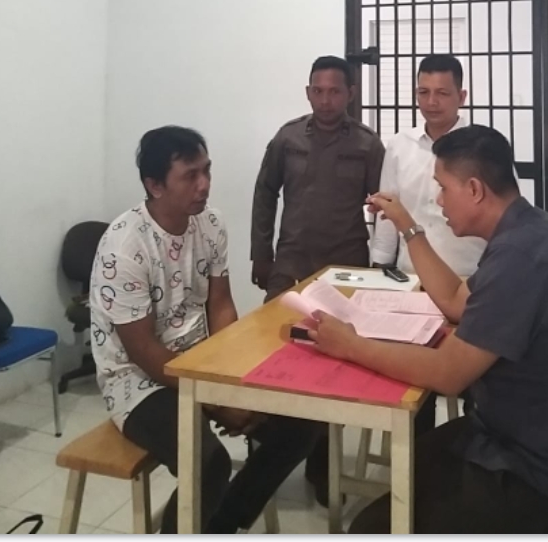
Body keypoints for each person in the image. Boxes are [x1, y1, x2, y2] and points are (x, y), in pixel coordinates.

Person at [309, 124, 548, 534]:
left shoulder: (521, 256)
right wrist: (407, 226)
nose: (438, 200)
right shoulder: (528, 227)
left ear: (474, 190)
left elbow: (448, 374)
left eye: (443, 188)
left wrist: (351, 345)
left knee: (372, 528)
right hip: (519, 434)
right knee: (410, 465)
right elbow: (457, 299)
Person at [90, 125, 319, 534]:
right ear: (155, 185)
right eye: (190, 176)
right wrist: (216, 397)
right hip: (138, 382)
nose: (204, 184)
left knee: (303, 421)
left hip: (203, 363)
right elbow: (143, 352)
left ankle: (221, 525)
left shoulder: (210, 223)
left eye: (207, 170)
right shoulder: (124, 248)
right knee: (208, 462)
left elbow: (220, 304)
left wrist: (231, 377)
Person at [250, 55, 385, 504]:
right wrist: (260, 253)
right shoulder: (287, 138)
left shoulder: (367, 144)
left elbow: (384, 205)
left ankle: (323, 469)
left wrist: (381, 271)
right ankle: (266, 462)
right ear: (308, 92)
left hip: (345, 268)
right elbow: (265, 193)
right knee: (274, 355)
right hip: (289, 265)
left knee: (333, 369)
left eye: (335, 91)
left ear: (350, 94)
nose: (326, 100)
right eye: (318, 91)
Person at [369, 53, 486, 433]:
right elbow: (388, 207)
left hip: (469, 281)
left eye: (442, 93)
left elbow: (498, 212)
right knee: (414, 384)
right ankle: (417, 458)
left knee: (477, 382)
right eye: (423, 92)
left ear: (461, 96)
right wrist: (380, 265)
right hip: (413, 281)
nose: (431, 102)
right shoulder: (400, 145)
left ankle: (473, 449)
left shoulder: (481, 147)